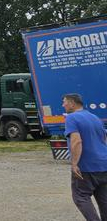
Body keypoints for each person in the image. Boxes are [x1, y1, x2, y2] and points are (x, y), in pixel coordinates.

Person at [62, 93, 107, 221]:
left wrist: (74, 164)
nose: (63, 105)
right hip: (103, 165)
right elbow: (104, 138)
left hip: (87, 167)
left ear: (72, 103)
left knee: (81, 197)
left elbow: (76, 141)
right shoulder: (94, 117)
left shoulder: (71, 118)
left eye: (64, 102)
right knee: (104, 200)